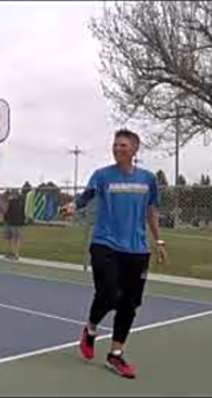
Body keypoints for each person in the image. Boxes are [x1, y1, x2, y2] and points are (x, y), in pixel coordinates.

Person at [61, 129, 168, 379]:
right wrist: (72, 205)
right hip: (104, 244)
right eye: (115, 145)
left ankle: (115, 354)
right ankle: (90, 329)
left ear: (134, 149)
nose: (117, 149)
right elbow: (85, 197)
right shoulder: (102, 176)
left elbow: (151, 212)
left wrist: (159, 240)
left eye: (123, 145)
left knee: (129, 305)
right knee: (108, 293)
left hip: (137, 250)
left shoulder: (148, 180)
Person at [3, 189, 25, 260]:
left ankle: (14, 254)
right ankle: (16, 253)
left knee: (12, 238)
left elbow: (7, 212)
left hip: (11, 222)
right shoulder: (21, 203)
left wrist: (5, 219)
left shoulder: (10, 202)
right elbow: (23, 213)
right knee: (17, 238)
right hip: (19, 223)